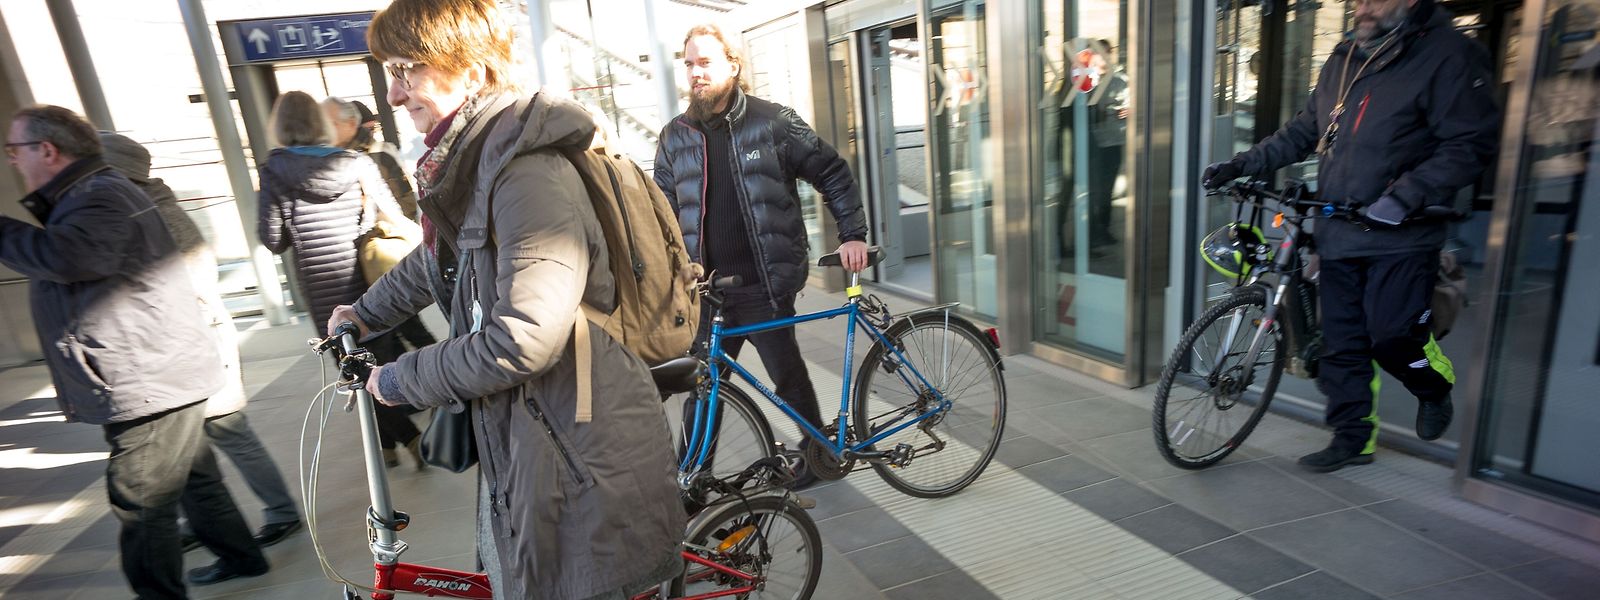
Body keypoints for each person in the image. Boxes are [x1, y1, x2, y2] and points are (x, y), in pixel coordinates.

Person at [329, 0, 685, 597]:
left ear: (471, 71)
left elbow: (522, 338)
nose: (393, 95)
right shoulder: (480, 163)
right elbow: (442, 260)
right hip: (533, 435)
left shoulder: (526, 175)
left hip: (574, 447)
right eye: (389, 73)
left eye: (406, 69)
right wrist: (364, 314)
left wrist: (399, 379)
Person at [1202, 0, 1498, 472]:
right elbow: (1303, 130)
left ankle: (1433, 385)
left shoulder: (1448, 55)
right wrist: (1241, 164)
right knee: (1341, 344)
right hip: (1339, 228)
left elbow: (1471, 143)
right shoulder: (1345, 56)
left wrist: (1404, 197)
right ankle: (1353, 437)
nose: (1362, 6)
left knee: (1394, 337)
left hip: (1402, 234)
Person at [2, 105, 268, 597]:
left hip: (148, 379)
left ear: (48, 150)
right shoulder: (97, 190)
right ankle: (242, 556)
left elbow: (66, 257)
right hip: (158, 369)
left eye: (14, 150)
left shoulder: (97, 195)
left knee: (140, 501)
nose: (12, 161)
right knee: (193, 478)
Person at [653, 23, 869, 487]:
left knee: (786, 377)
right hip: (707, 293)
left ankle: (817, 459)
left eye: (705, 62)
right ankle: (693, 478)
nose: (695, 72)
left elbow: (831, 170)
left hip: (764, 283)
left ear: (733, 64)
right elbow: (662, 215)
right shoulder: (675, 137)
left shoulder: (774, 122)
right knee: (703, 387)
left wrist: (852, 233)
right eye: (689, 63)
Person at [99, 132, 304, 549]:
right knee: (191, 444)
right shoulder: (148, 207)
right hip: (185, 344)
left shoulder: (157, 212)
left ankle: (281, 512)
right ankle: (205, 521)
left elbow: (190, 281)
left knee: (229, 431)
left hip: (199, 340)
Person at [257, 90, 426, 470]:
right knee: (378, 360)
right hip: (367, 279)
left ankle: (408, 437)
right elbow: (387, 213)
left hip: (321, 290)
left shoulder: (274, 171)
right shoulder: (355, 162)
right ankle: (391, 445)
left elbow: (272, 239)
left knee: (354, 369)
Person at [323, 96, 439, 354]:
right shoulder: (350, 156)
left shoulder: (370, 156)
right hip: (372, 255)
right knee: (396, 329)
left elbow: (402, 201)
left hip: (382, 249)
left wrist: (397, 233)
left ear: (351, 124)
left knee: (408, 324)